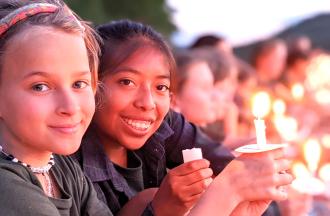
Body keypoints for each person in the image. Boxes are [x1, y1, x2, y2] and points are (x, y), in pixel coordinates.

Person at [74, 19, 293, 216]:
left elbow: (228, 166)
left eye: (160, 86)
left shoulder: (164, 125)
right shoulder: (70, 167)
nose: (147, 102)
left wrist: (260, 187)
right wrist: (161, 207)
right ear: (91, 83)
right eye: (127, 82)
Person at [0, 1, 112, 215]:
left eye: (79, 84)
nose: (70, 107)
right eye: (40, 87)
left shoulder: (62, 167)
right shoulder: (6, 187)